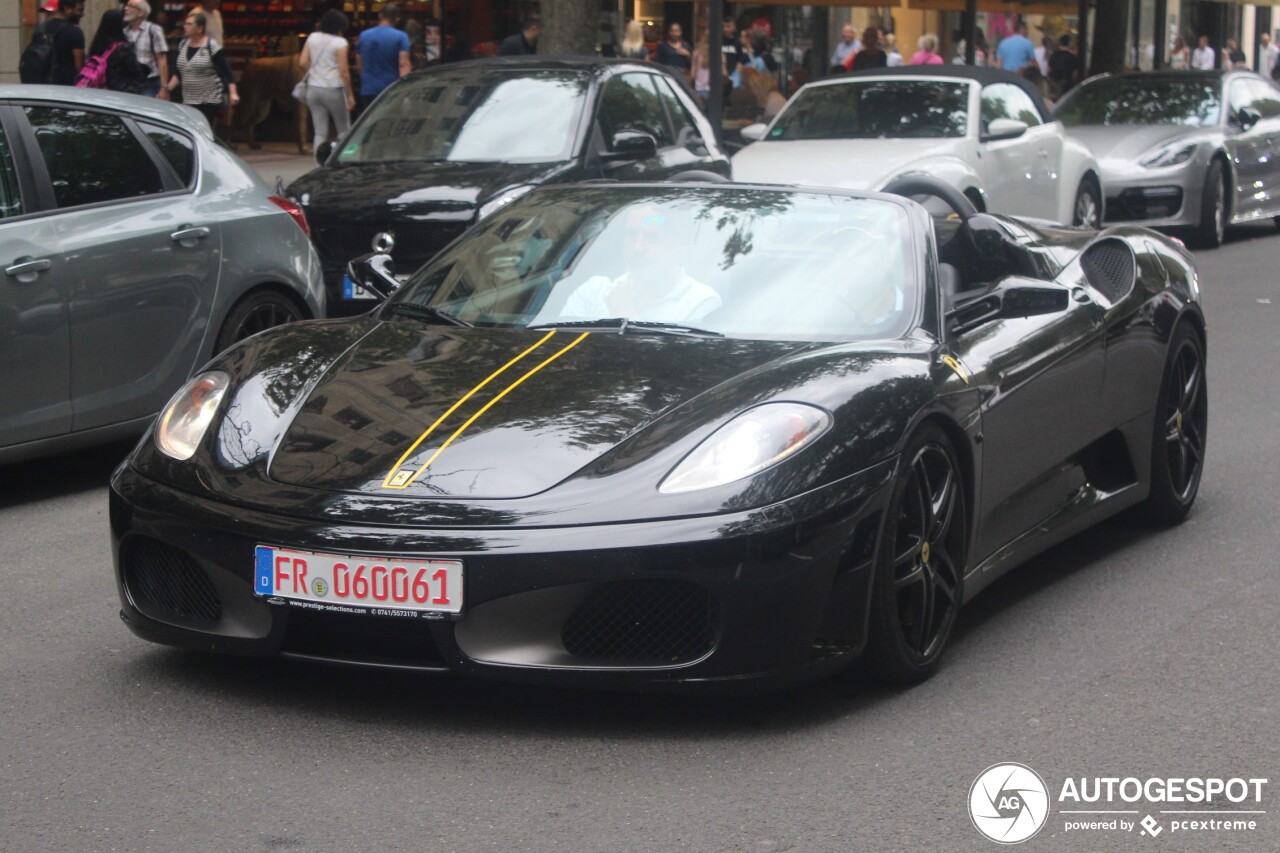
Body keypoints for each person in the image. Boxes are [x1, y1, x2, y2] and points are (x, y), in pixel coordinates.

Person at [564, 206, 720, 324]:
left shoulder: (701, 302)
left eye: (652, 238)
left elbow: (682, 363)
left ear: (677, 246)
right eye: (632, 235)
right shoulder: (594, 292)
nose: (638, 247)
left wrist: (629, 316)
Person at [167, 12, 238, 129]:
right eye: (185, 24)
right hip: (189, 98)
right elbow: (180, 72)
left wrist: (233, 93)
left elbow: (227, 71)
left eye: (189, 24)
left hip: (208, 100)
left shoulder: (211, 46)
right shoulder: (183, 44)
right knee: (191, 130)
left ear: (199, 28)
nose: (185, 27)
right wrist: (167, 88)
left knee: (203, 130)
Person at [300, 9, 354, 153]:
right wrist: (349, 95)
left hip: (313, 88)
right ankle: (343, 159)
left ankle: (318, 163)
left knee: (319, 132)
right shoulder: (340, 42)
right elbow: (343, 71)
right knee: (343, 129)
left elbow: (303, 62)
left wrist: (315, 71)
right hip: (333, 88)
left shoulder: (312, 37)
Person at [356, 5, 410, 112]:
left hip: (368, 89)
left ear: (380, 15)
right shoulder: (401, 36)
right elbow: (403, 65)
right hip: (391, 89)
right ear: (397, 19)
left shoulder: (363, 35)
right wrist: (406, 89)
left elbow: (359, 65)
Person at [82, 9, 149, 92]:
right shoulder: (122, 48)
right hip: (121, 92)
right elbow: (136, 73)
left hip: (100, 91)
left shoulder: (98, 45)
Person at [123, 0, 169, 98]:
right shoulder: (124, 32)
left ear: (141, 13)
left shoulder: (153, 30)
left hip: (149, 83)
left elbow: (162, 60)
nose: (126, 8)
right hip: (129, 83)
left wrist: (164, 87)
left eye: (131, 6)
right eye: (127, 5)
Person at [45, 0, 86, 85]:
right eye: (80, 10)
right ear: (67, 9)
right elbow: (79, 67)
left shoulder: (41, 29)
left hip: (44, 86)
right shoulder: (75, 32)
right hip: (67, 88)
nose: (82, 14)